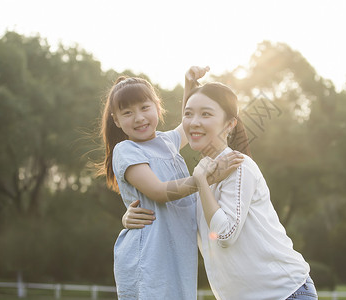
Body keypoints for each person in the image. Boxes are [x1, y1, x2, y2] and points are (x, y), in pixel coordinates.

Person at [123, 80, 317, 300]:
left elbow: (225, 234)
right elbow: (177, 217)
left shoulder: (238, 166)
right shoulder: (199, 177)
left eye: (206, 114)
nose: (194, 122)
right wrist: (130, 216)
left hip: (285, 293)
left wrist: (202, 181)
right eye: (188, 114)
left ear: (229, 124)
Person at [97, 69, 244, 300]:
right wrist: (207, 179)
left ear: (157, 106)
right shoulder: (127, 150)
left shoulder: (167, 141)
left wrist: (189, 85)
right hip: (148, 255)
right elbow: (158, 192)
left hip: (176, 251)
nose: (139, 118)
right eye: (127, 113)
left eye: (145, 108)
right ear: (116, 120)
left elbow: (189, 122)